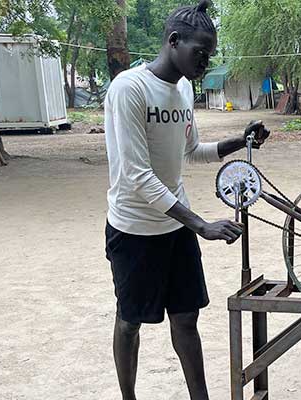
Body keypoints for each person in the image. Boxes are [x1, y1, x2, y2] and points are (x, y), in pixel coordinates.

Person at [103, 1, 270, 399]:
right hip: (135, 230)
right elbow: (136, 175)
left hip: (175, 229)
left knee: (186, 318)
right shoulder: (129, 89)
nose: (205, 62)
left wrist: (236, 142)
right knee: (129, 321)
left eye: (209, 55)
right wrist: (201, 225)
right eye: (200, 52)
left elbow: (190, 149)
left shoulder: (182, 88)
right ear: (173, 41)